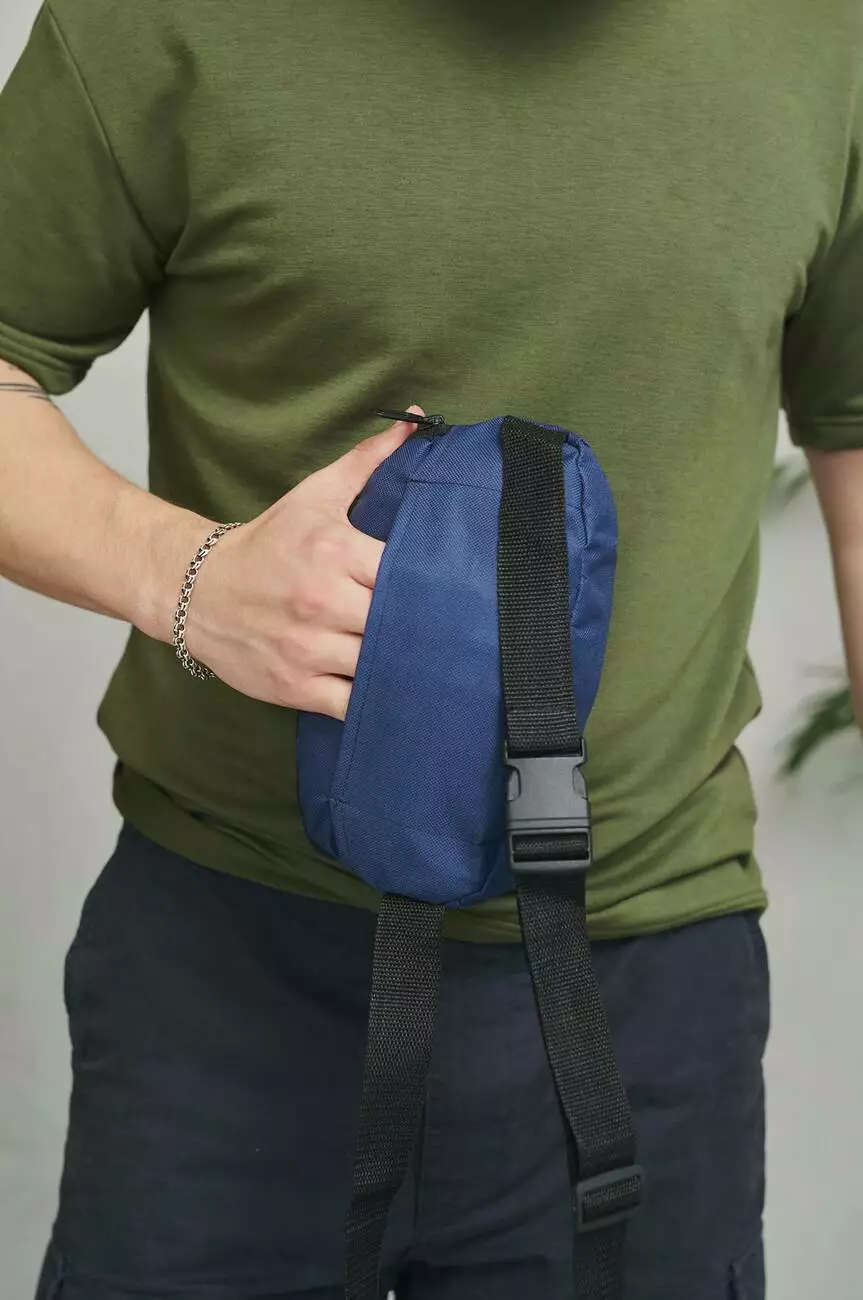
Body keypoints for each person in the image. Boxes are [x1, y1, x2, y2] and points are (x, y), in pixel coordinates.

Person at [1, 1, 861, 1297]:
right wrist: (187, 577)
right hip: (233, 967)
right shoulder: (157, 19)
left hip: (645, 971)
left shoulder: (828, 36)